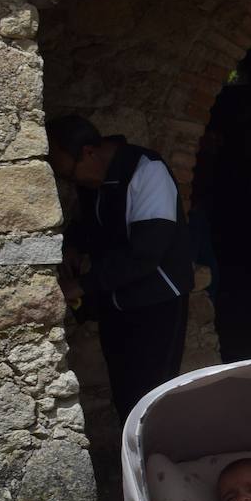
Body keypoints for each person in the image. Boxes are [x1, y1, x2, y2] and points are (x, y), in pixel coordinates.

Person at [46, 114, 192, 424]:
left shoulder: (146, 171)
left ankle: (157, 465)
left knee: (152, 397)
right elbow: (88, 222)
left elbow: (145, 253)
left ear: (88, 152)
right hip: (117, 302)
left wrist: (83, 285)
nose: (73, 183)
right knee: (126, 395)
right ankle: (136, 464)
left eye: (70, 175)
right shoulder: (94, 180)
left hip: (157, 304)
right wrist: (73, 245)